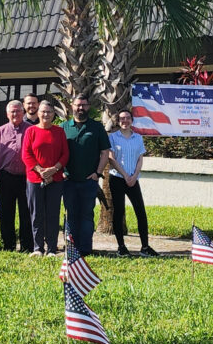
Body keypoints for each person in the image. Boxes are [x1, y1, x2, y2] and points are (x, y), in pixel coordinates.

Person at [62, 96, 110, 257]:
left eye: (84, 105)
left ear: (89, 106)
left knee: (87, 215)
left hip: (89, 181)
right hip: (68, 180)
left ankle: (85, 248)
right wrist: (61, 171)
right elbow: (57, 153)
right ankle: (72, 247)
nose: (80, 108)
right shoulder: (63, 127)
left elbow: (105, 152)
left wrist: (97, 173)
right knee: (71, 214)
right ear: (71, 106)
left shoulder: (96, 127)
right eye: (77, 105)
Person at [21, 100, 70, 256]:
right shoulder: (30, 131)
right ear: (38, 113)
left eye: (49, 112)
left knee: (52, 214)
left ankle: (52, 248)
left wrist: (54, 169)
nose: (46, 114)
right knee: (36, 214)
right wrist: (40, 171)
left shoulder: (59, 131)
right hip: (35, 179)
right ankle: (38, 248)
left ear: (54, 114)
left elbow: (65, 154)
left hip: (55, 179)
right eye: (43, 111)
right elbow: (26, 154)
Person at [108, 109, 157, 257]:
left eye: (128, 118)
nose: (125, 121)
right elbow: (111, 158)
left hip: (133, 179)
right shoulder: (113, 137)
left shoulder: (138, 138)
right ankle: (121, 247)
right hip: (117, 178)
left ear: (132, 120)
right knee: (119, 212)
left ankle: (145, 247)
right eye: (122, 118)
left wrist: (134, 176)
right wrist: (125, 175)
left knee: (140, 212)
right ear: (118, 121)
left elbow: (140, 158)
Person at [0, 100, 33, 253]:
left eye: (18, 111)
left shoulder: (32, 130)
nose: (15, 114)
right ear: (7, 114)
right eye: (12, 111)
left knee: (27, 213)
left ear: (23, 112)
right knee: (6, 212)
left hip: (27, 178)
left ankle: (27, 246)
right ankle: (9, 245)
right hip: (6, 177)